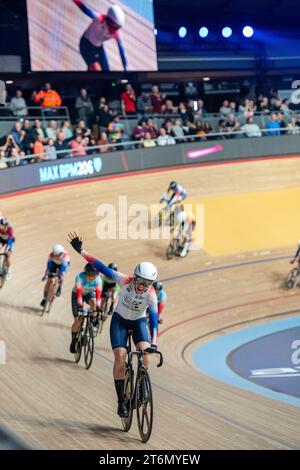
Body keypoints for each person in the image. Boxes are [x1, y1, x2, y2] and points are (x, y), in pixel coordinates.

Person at [68, 233, 159, 418]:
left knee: (146, 353)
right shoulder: (124, 280)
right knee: (120, 356)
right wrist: (81, 251)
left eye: (147, 284)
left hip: (139, 321)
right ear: (135, 277)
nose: (142, 287)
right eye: (140, 282)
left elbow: (154, 320)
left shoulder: (151, 295)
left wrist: (154, 344)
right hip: (120, 321)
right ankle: (121, 402)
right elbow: (99, 265)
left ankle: (142, 387)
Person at [73, 0, 127, 71]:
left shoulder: (116, 33)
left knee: (107, 75)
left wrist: (125, 69)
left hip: (98, 48)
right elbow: (85, 10)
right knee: (96, 70)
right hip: (85, 46)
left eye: (117, 28)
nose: (114, 30)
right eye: (113, 26)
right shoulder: (99, 18)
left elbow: (121, 51)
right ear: (108, 21)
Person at [70, 263, 102, 353]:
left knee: (94, 304)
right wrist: (80, 307)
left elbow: (98, 296)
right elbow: (79, 295)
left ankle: (90, 326)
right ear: (86, 274)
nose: (93, 277)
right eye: (91, 275)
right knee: (77, 320)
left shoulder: (98, 280)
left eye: (94, 275)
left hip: (89, 294)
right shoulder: (80, 277)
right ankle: (74, 340)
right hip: (77, 294)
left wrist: (98, 307)